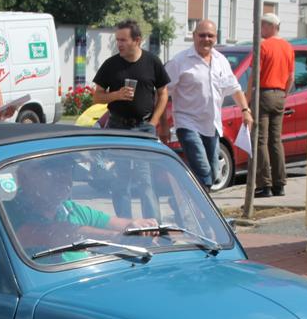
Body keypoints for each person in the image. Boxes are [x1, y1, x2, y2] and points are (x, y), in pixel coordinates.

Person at [5, 156, 157, 263]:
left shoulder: (71, 209)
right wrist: (116, 237)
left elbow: (117, 223)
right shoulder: (8, 212)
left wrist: (140, 226)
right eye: (52, 170)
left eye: (67, 170)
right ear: (24, 176)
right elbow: (56, 234)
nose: (64, 178)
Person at [161, 19, 253, 189]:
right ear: (194, 36)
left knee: (214, 173)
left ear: (215, 38)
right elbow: (163, 92)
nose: (206, 39)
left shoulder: (220, 60)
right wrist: (163, 124)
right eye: (202, 35)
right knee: (203, 171)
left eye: (210, 35)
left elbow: (235, 87)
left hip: (212, 125)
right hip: (187, 123)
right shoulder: (180, 61)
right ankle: (203, 211)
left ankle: (185, 201)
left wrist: (245, 110)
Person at [92, 19, 169, 219]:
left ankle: (154, 227)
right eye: (117, 40)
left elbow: (163, 93)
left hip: (143, 126)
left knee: (146, 180)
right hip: (118, 127)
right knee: (121, 180)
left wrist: (154, 122)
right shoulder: (111, 65)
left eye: (123, 40)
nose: (119, 44)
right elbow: (97, 96)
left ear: (137, 40)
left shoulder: (152, 62)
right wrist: (116, 95)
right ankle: (126, 225)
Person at [247, 12, 294, 198]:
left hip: (264, 93)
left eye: (264, 25)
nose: (261, 29)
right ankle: (280, 184)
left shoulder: (263, 46)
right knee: (276, 140)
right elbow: (290, 76)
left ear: (272, 27)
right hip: (280, 94)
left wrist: (247, 97)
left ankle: (264, 185)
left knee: (260, 140)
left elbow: (254, 75)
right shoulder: (288, 47)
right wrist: (284, 94)